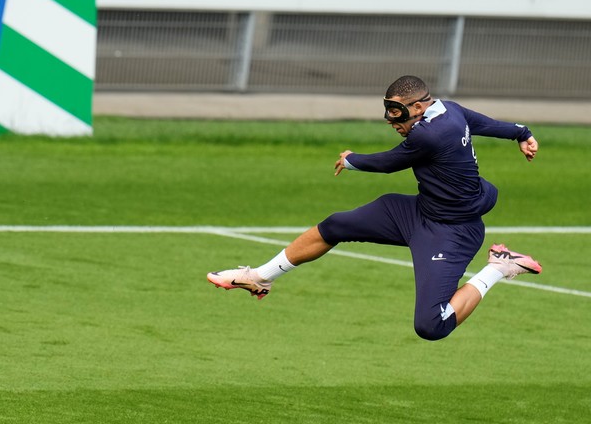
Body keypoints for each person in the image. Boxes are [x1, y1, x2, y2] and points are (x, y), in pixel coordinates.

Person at [207, 75, 542, 341]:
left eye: (398, 114)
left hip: (452, 232)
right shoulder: (449, 109)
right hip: (417, 212)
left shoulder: (431, 134)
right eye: (389, 113)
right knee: (336, 226)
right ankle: (260, 278)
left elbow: (389, 162)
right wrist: (521, 133)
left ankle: (499, 267)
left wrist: (352, 160)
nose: (392, 121)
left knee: (431, 326)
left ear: (420, 106)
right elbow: (484, 123)